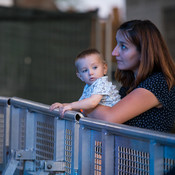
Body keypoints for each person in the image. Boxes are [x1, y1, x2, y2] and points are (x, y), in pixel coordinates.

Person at [83, 20, 175, 132]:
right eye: (117, 44)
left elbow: (108, 117)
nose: (114, 52)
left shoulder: (158, 82)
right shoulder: (130, 85)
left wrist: (82, 104)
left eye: (123, 46)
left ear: (143, 52)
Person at [50, 48, 121, 116]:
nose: (90, 73)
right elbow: (80, 105)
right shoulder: (88, 87)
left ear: (104, 68)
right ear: (80, 76)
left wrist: (71, 105)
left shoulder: (102, 83)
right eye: (85, 70)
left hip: (114, 123)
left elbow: (92, 102)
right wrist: (63, 106)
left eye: (95, 67)